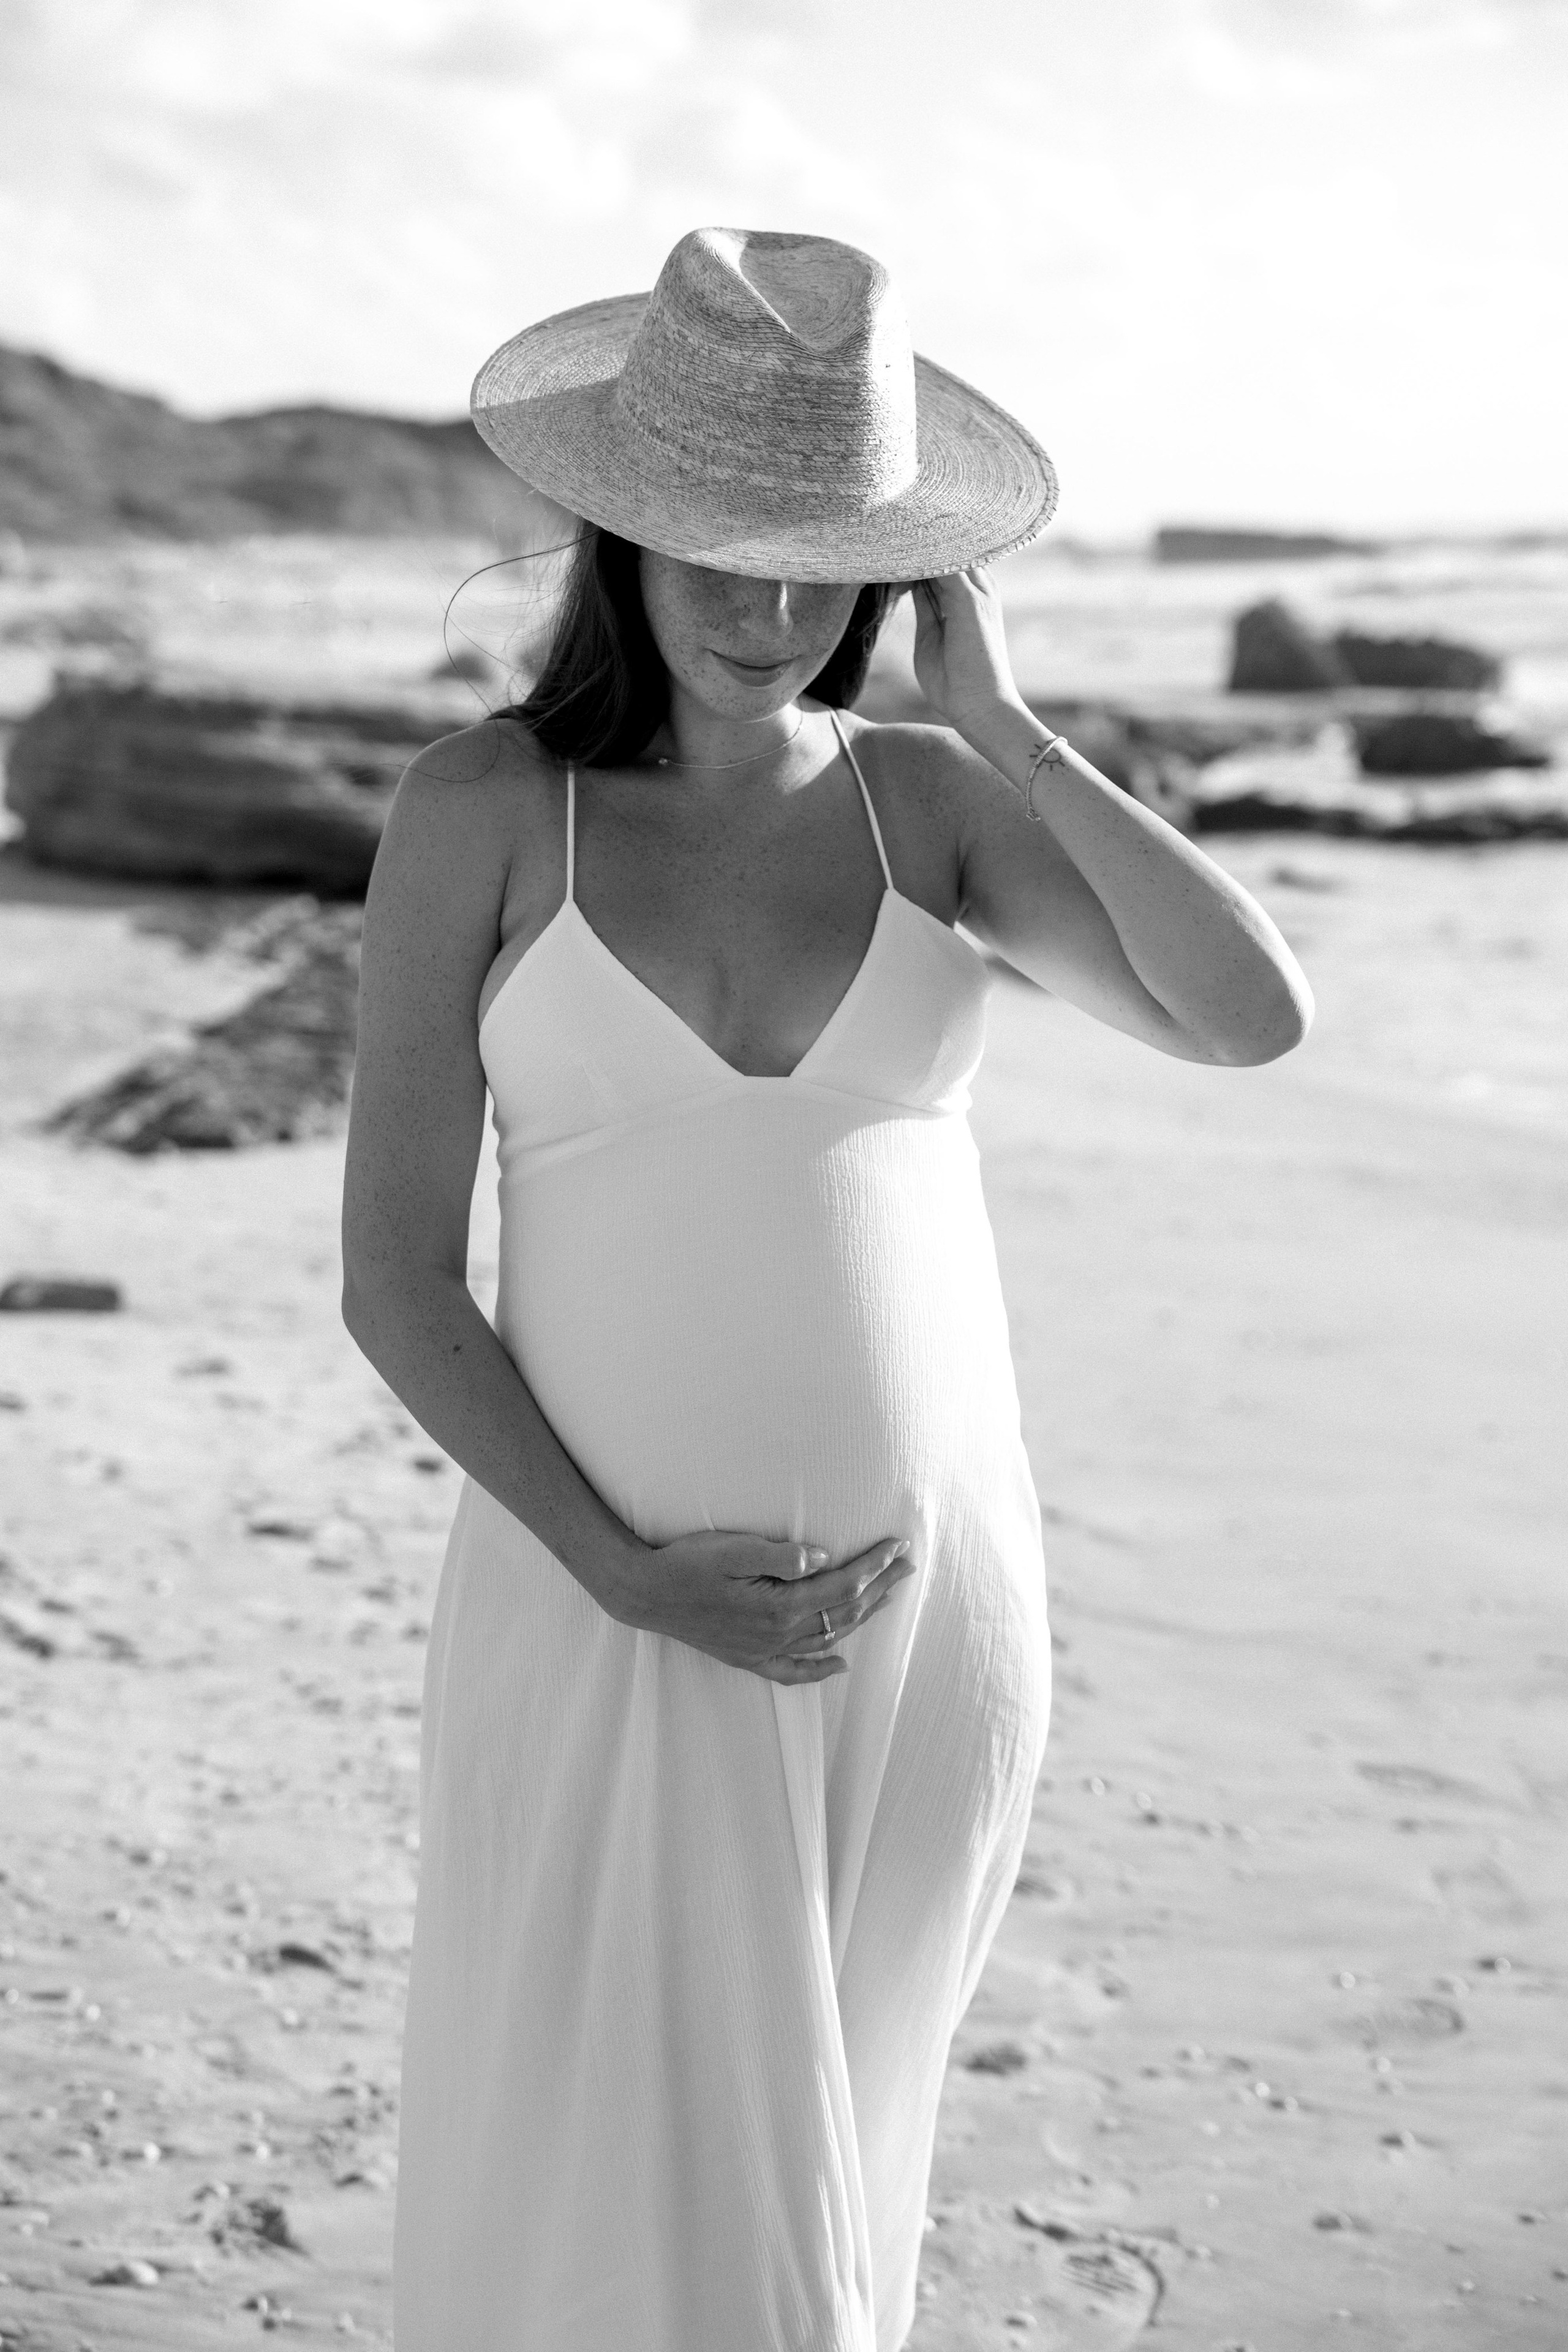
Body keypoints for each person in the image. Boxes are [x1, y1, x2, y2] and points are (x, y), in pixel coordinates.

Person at [341, 226, 1312, 2352]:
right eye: (720, 554)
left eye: (821, 565)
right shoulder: (486, 809)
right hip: (605, 1611)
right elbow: (397, 1281)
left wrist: (1007, 724)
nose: (768, 616)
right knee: (613, 2187)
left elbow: (1250, 1019)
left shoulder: (930, 807)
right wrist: (623, 1575)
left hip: (927, 1621)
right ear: (622, 533)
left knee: (833, 2185)